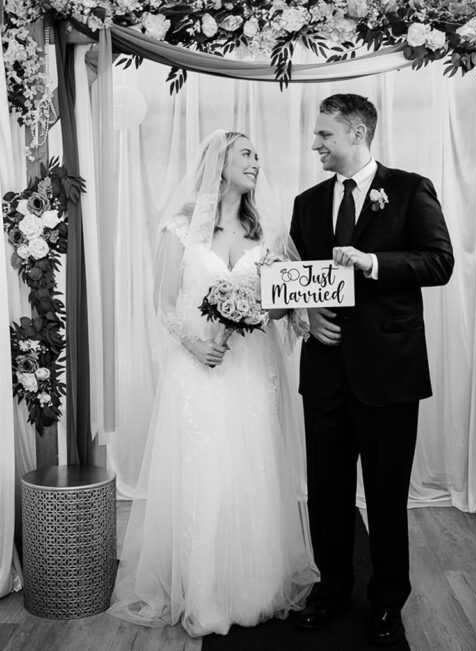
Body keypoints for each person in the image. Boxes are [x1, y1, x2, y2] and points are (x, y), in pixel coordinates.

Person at [108, 130, 318, 637]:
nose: (256, 162)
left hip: (251, 370)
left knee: (251, 467)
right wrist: (195, 345)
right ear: (219, 163)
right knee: (203, 470)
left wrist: (273, 310)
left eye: (258, 155)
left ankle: (252, 586)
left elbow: (283, 305)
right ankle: (202, 589)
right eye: (247, 153)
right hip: (197, 369)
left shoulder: (267, 235)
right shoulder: (180, 228)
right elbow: (162, 304)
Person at [289, 94, 454, 646]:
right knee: (326, 493)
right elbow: (297, 277)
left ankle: (387, 602)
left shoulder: (409, 189)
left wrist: (375, 263)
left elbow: (440, 262)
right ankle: (331, 590)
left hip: (389, 372)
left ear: (357, 133)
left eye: (325, 134)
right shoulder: (307, 203)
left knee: (385, 497)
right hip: (325, 371)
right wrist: (308, 314)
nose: (316, 143)